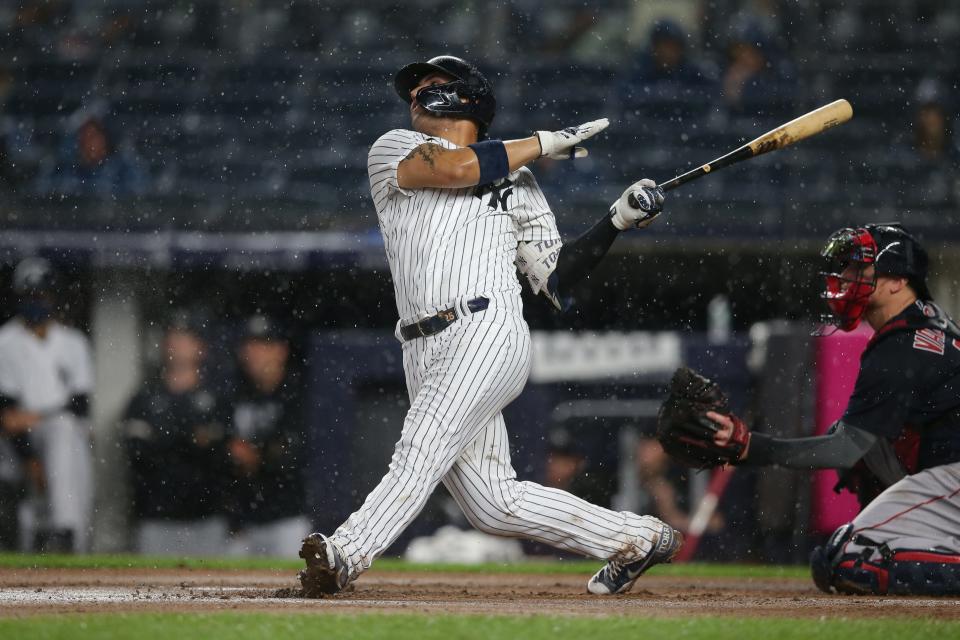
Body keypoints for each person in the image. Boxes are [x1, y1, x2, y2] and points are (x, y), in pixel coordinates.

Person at [299, 54, 679, 597]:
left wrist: (615, 221)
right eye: (416, 87)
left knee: (421, 446)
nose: (418, 93)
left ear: (469, 96)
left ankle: (346, 553)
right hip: (420, 344)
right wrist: (546, 141)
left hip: (486, 327)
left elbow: (557, 283)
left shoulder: (521, 183)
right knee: (492, 503)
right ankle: (639, 538)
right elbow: (457, 168)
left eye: (433, 83)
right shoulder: (395, 148)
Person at [708, 223, 960, 595]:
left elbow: (845, 446)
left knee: (848, 559)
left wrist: (753, 448)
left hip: (952, 478)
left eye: (860, 270)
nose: (845, 278)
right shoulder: (927, 327)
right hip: (948, 476)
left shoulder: (902, 343)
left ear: (897, 283)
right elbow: (858, 444)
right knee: (867, 455)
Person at [0, 257, 94, 552]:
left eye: (42, 294)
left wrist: (35, 416)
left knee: (65, 431)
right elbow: (8, 412)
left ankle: (67, 535)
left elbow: (80, 405)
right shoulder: (5, 341)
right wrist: (31, 459)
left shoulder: (73, 342)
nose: (37, 301)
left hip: (63, 437)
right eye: (30, 295)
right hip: (15, 443)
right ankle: (60, 533)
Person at [122, 311, 231, 556]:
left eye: (186, 337)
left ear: (201, 347)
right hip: (156, 517)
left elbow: (221, 457)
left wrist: (164, 440)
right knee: (148, 591)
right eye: (173, 336)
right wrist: (191, 440)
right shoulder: (144, 399)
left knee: (213, 590)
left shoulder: (217, 400)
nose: (178, 344)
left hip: (207, 518)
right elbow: (138, 456)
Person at [226, 314, 310, 556]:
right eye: (250, 345)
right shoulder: (236, 392)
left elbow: (290, 452)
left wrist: (255, 455)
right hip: (243, 522)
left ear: (281, 350)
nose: (255, 353)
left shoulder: (296, 393)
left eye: (264, 344)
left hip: (287, 519)